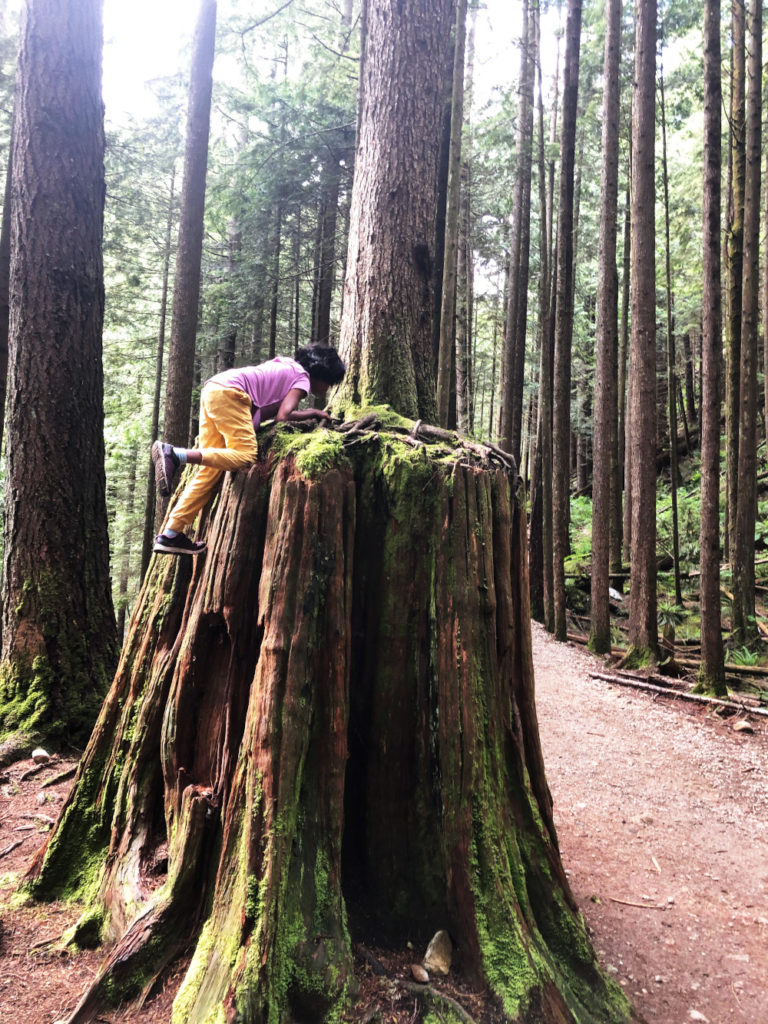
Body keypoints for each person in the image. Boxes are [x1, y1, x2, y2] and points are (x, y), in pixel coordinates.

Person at [151, 345, 346, 555]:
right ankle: (175, 454)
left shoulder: (285, 365)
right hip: (231, 393)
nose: (327, 388)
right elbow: (283, 416)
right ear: (322, 375)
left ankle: (170, 534)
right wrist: (312, 412)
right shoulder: (303, 379)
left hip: (215, 388)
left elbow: (262, 405)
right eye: (329, 383)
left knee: (210, 469)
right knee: (245, 455)